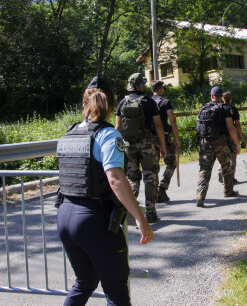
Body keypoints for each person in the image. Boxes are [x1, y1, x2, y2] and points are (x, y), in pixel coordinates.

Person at [56, 76, 153, 306]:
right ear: (111, 105)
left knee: (85, 281)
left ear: (84, 103)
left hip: (64, 215)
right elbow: (116, 179)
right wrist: (140, 218)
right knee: (117, 292)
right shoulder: (108, 135)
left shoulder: (68, 134)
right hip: (93, 220)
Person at [115, 73, 166, 223]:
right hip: (147, 146)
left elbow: (117, 127)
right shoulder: (149, 102)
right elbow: (158, 125)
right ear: (141, 86)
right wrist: (163, 146)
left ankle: (131, 211)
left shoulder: (122, 102)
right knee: (150, 177)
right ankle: (150, 213)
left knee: (132, 178)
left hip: (128, 146)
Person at [195, 86, 240, 208]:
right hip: (221, 142)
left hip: (205, 142)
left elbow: (198, 128)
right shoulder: (225, 109)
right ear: (221, 97)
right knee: (226, 167)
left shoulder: (203, 109)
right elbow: (231, 127)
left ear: (211, 96)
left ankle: (200, 196)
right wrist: (236, 143)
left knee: (204, 169)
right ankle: (228, 191)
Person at [150, 80, 180, 203]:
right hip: (164, 137)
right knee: (172, 162)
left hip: (150, 138)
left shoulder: (147, 102)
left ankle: (154, 193)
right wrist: (177, 138)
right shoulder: (165, 102)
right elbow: (172, 120)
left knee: (153, 166)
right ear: (161, 89)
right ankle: (162, 187)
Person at [218, 92, 246, 184]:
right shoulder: (233, 109)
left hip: (220, 135)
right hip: (230, 134)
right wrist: (241, 138)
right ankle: (231, 178)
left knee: (223, 155)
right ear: (231, 99)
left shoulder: (219, 108)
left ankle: (220, 170)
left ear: (222, 98)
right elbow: (237, 125)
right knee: (233, 155)